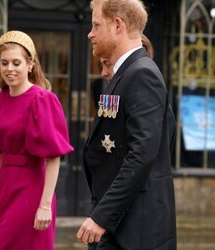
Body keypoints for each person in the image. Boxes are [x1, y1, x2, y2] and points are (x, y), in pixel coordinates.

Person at [77, 0, 177, 249]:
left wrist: (102, 216)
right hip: (120, 224)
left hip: (135, 232)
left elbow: (142, 154)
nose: (90, 33)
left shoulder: (141, 74)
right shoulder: (127, 73)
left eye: (96, 25)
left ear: (117, 25)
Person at [0, 30, 74, 250]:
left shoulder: (43, 100)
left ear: (30, 65)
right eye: (4, 63)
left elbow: (53, 158)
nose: (9, 69)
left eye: (16, 63)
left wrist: (44, 205)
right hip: (6, 188)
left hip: (33, 190)